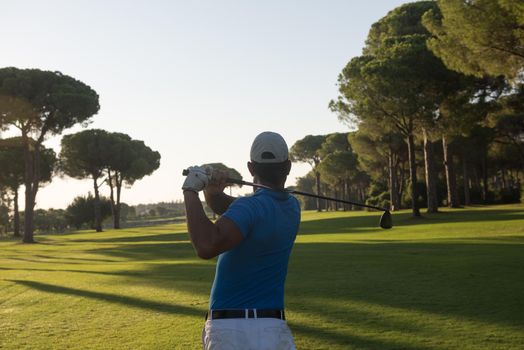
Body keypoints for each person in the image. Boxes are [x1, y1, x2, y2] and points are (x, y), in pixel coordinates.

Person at [182, 131, 300, 350]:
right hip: (274, 328)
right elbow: (231, 209)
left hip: (231, 330)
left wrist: (190, 190)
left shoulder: (249, 208)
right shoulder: (292, 207)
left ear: (250, 168)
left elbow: (206, 246)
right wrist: (212, 192)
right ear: (288, 167)